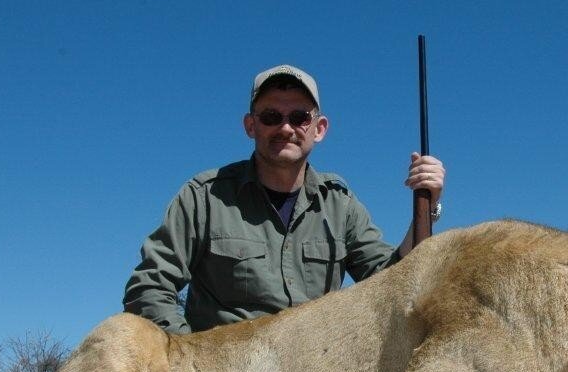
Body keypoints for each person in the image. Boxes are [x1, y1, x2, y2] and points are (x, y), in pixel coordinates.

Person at [123, 64, 446, 334]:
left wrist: (428, 206)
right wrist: (187, 358)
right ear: (251, 126)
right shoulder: (204, 194)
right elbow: (149, 286)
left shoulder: (340, 203)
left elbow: (392, 281)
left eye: (300, 117)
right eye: (271, 117)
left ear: (319, 128)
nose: (286, 127)